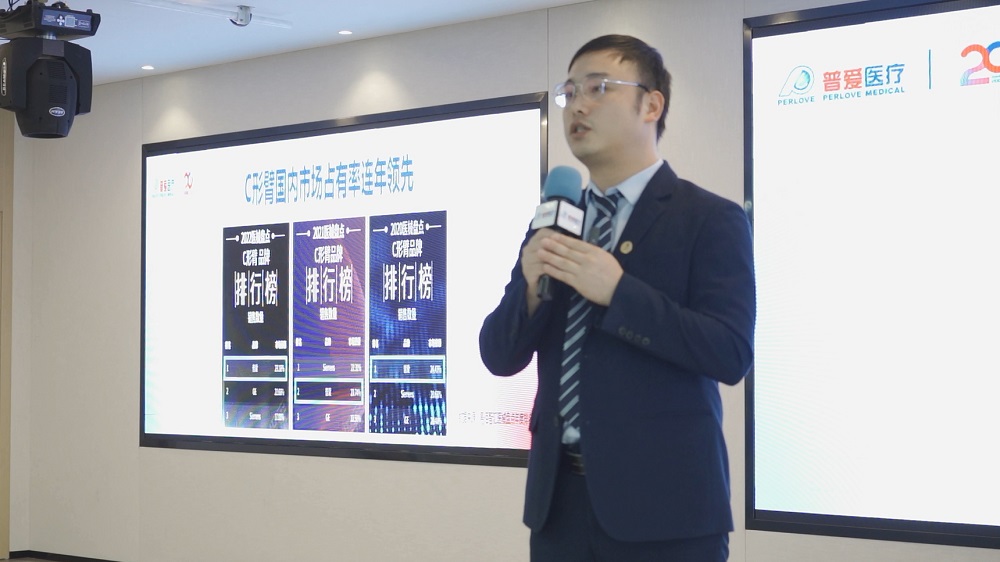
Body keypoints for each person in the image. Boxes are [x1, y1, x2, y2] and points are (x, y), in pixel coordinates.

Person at [479, 35, 756, 561]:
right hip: (559, 510)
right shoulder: (555, 223)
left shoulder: (708, 218)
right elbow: (499, 355)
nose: (577, 106)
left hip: (667, 514)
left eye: (598, 88)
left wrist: (619, 292)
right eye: (569, 92)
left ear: (652, 105)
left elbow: (730, 352)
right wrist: (531, 291)